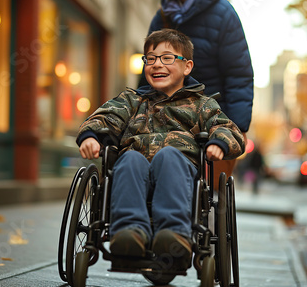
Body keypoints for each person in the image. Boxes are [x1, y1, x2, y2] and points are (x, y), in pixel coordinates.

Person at [77, 29, 245, 270]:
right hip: (134, 170)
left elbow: (229, 129)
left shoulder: (202, 105)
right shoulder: (132, 100)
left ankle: (173, 234)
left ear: (187, 67)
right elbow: (104, 117)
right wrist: (90, 136)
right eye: (151, 58)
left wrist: (219, 143)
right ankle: (129, 232)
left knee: (168, 156)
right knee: (130, 159)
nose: (157, 64)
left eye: (167, 58)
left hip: (178, 171)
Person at [141, 0, 254, 181]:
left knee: (207, 194)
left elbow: (238, 76)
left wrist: (235, 128)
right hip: (164, 118)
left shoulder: (224, 15)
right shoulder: (161, 18)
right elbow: (147, 75)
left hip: (210, 123)